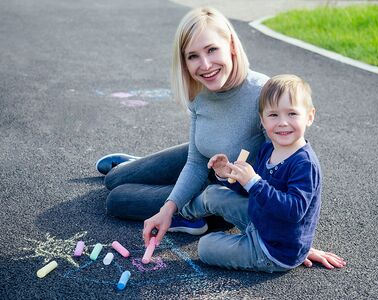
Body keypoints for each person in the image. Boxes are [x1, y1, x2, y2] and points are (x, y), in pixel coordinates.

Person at [97, 7, 345, 269]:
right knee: (115, 178)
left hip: (229, 191)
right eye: (193, 56)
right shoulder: (198, 93)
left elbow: (291, 164)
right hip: (207, 159)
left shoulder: (262, 94)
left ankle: (194, 216)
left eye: (212, 50)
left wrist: (295, 243)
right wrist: (169, 207)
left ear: (231, 46)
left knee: (118, 199)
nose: (205, 65)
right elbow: (195, 160)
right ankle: (144, 169)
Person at [171, 74, 327, 272]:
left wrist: (254, 181)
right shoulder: (268, 149)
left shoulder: (304, 164)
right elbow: (251, 191)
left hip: (272, 249)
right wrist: (227, 175)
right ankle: (183, 215)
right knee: (213, 192)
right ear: (262, 120)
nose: (283, 122)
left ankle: (242, 243)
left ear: (309, 116)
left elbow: (294, 211)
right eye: (273, 115)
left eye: (292, 114)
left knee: (206, 246)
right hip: (261, 221)